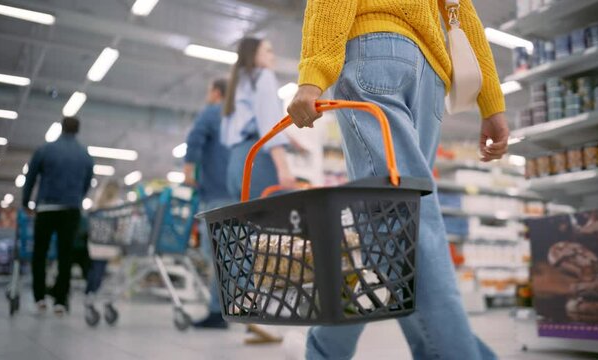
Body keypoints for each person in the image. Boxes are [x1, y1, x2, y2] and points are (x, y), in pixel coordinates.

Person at [287, 1, 509, 359]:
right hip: (430, 76)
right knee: (393, 231)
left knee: (402, 226)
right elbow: (461, 10)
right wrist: (491, 101)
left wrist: (314, 72)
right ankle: (326, 350)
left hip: (374, 56)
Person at [22, 116, 94, 315]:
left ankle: (39, 298)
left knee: (40, 253)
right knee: (65, 256)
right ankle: (60, 301)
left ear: (61, 128)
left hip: (46, 208)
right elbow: (88, 182)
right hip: (71, 210)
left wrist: (26, 201)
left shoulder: (45, 149)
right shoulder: (85, 154)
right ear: (78, 130)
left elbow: (31, 176)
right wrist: (77, 199)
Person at [183, 79, 232, 328]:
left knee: (214, 253)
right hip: (238, 194)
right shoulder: (239, 116)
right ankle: (229, 309)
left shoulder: (213, 111)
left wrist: (189, 170)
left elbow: (195, 138)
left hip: (215, 193)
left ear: (215, 92)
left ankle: (218, 311)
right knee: (232, 255)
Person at [221, 37, 295, 200]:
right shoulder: (263, 76)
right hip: (257, 159)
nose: (272, 56)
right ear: (254, 54)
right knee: (273, 221)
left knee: (245, 222)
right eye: (268, 51)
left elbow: (227, 133)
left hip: (235, 163)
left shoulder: (237, 83)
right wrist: (284, 169)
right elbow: (270, 127)